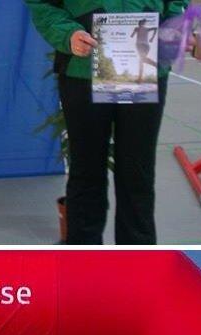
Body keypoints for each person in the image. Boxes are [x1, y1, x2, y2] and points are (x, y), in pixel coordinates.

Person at [25, 0, 190, 245]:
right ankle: (83, 263)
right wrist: (68, 33)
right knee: (86, 171)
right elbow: (41, 4)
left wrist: (173, 26)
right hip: (83, 72)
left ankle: (137, 263)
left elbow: (177, 3)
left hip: (144, 66)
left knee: (138, 172)